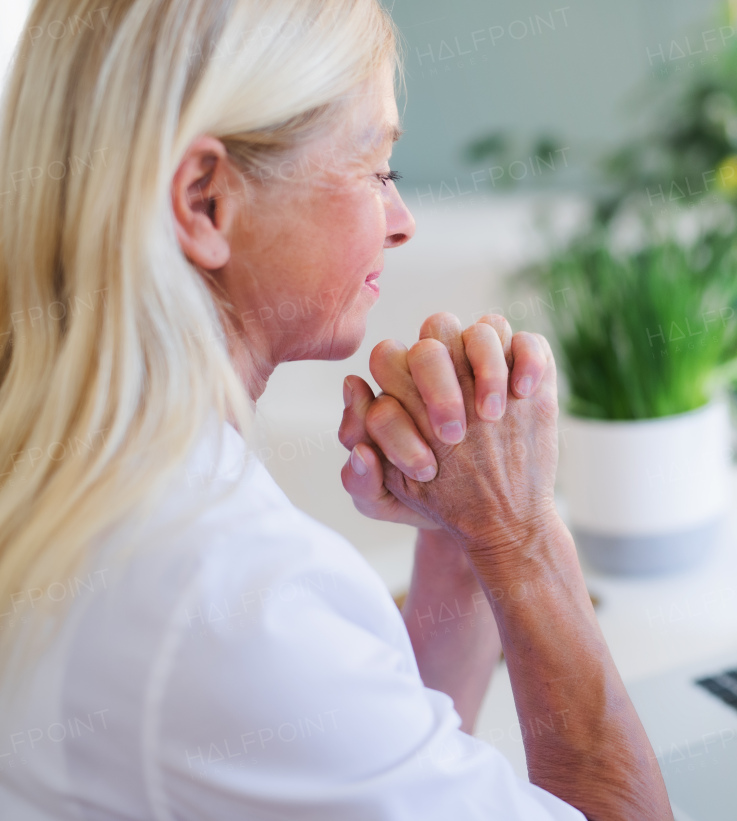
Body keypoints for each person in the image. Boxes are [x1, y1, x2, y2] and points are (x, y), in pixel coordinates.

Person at [0, 2, 672, 819]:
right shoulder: (228, 600)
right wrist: (520, 536)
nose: (402, 221)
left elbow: (377, 764)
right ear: (206, 201)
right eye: (376, 169)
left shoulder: (88, 474)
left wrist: (462, 542)